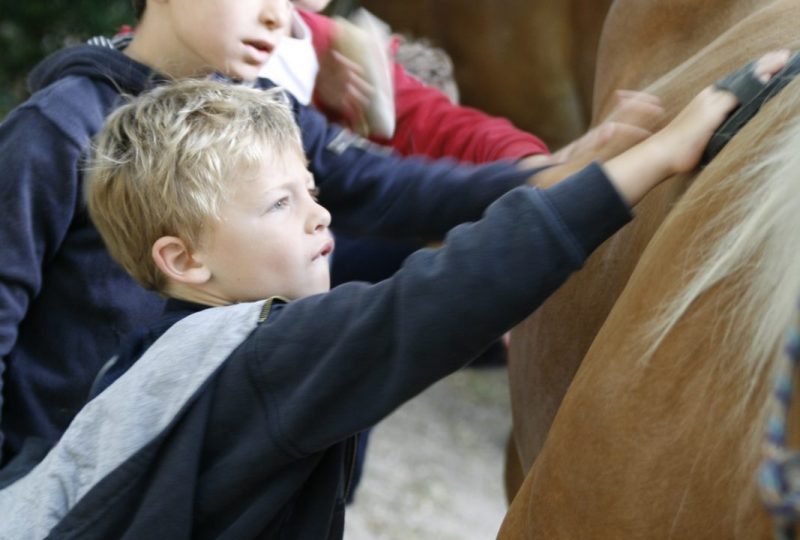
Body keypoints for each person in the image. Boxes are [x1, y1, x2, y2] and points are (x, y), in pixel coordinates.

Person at [0, 44, 771, 535]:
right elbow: (446, 291)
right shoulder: (266, 354)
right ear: (185, 259)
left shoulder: (145, 361)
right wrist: (660, 156)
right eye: (280, 204)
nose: (319, 214)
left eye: (309, 188)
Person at [0, 0, 660, 469]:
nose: (280, 18)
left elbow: (392, 186)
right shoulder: (58, 130)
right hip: (60, 475)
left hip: (175, 466)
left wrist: (551, 172)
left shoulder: (261, 107)